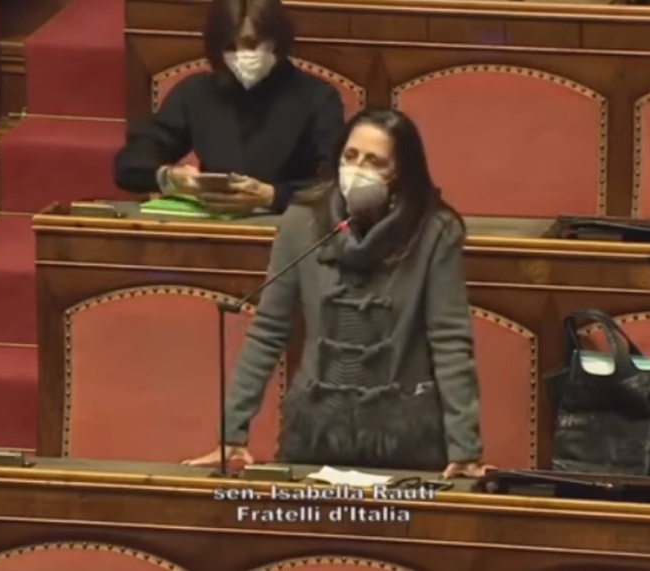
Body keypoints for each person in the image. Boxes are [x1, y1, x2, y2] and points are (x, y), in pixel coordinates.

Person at [184, 109, 486, 478]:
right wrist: (231, 432)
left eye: (375, 161)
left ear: (400, 172)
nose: (358, 169)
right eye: (351, 156)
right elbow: (268, 331)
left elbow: (450, 340)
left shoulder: (435, 230)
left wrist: (465, 448)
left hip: (406, 438)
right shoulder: (303, 220)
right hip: (315, 431)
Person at [113, 0, 344, 216]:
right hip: (213, 226)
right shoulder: (196, 92)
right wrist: (170, 178)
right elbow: (130, 164)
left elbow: (337, 182)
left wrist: (274, 196)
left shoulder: (318, 97)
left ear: (277, 39)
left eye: (252, 43)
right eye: (230, 46)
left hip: (286, 221)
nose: (242, 55)